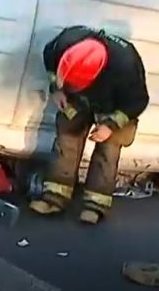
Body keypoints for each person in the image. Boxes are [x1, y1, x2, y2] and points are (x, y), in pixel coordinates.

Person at [29, 25, 149, 224]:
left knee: (108, 149)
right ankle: (55, 197)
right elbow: (49, 59)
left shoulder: (125, 67)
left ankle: (96, 205)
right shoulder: (65, 42)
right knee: (67, 136)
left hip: (114, 105)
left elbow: (137, 102)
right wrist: (56, 89)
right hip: (79, 99)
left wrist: (110, 125)